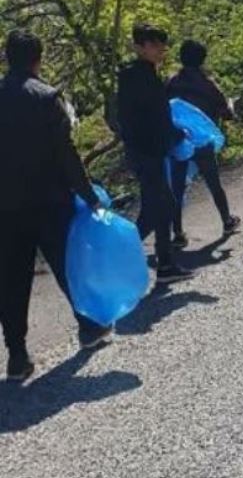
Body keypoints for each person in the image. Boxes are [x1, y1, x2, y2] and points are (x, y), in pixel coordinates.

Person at [0, 30, 113, 381]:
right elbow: (66, 155)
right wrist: (90, 195)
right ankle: (88, 327)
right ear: (39, 58)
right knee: (68, 267)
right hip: (49, 200)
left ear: (7, 59)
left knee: (12, 279)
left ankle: (17, 355)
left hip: (6, 206)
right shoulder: (47, 97)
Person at [118, 23, 193, 282]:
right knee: (158, 208)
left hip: (152, 150)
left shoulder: (147, 73)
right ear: (138, 47)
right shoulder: (137, 77)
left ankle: (165, 263)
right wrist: (173, 134)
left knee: (161, 206)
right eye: (153, 44)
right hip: (145, 152)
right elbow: (145, 119)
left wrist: (172, 134)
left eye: (161, 43)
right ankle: (121, 255)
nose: (160, 48)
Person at [165, 40, 241, 248]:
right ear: (203, 59)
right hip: (203, 141)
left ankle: (178, 232)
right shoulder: (208, 84)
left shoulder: (172, 83)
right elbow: (227, 113)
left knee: (177, 188)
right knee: (213, 183)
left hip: (179, 139)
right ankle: (226, 220)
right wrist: (231, 106)